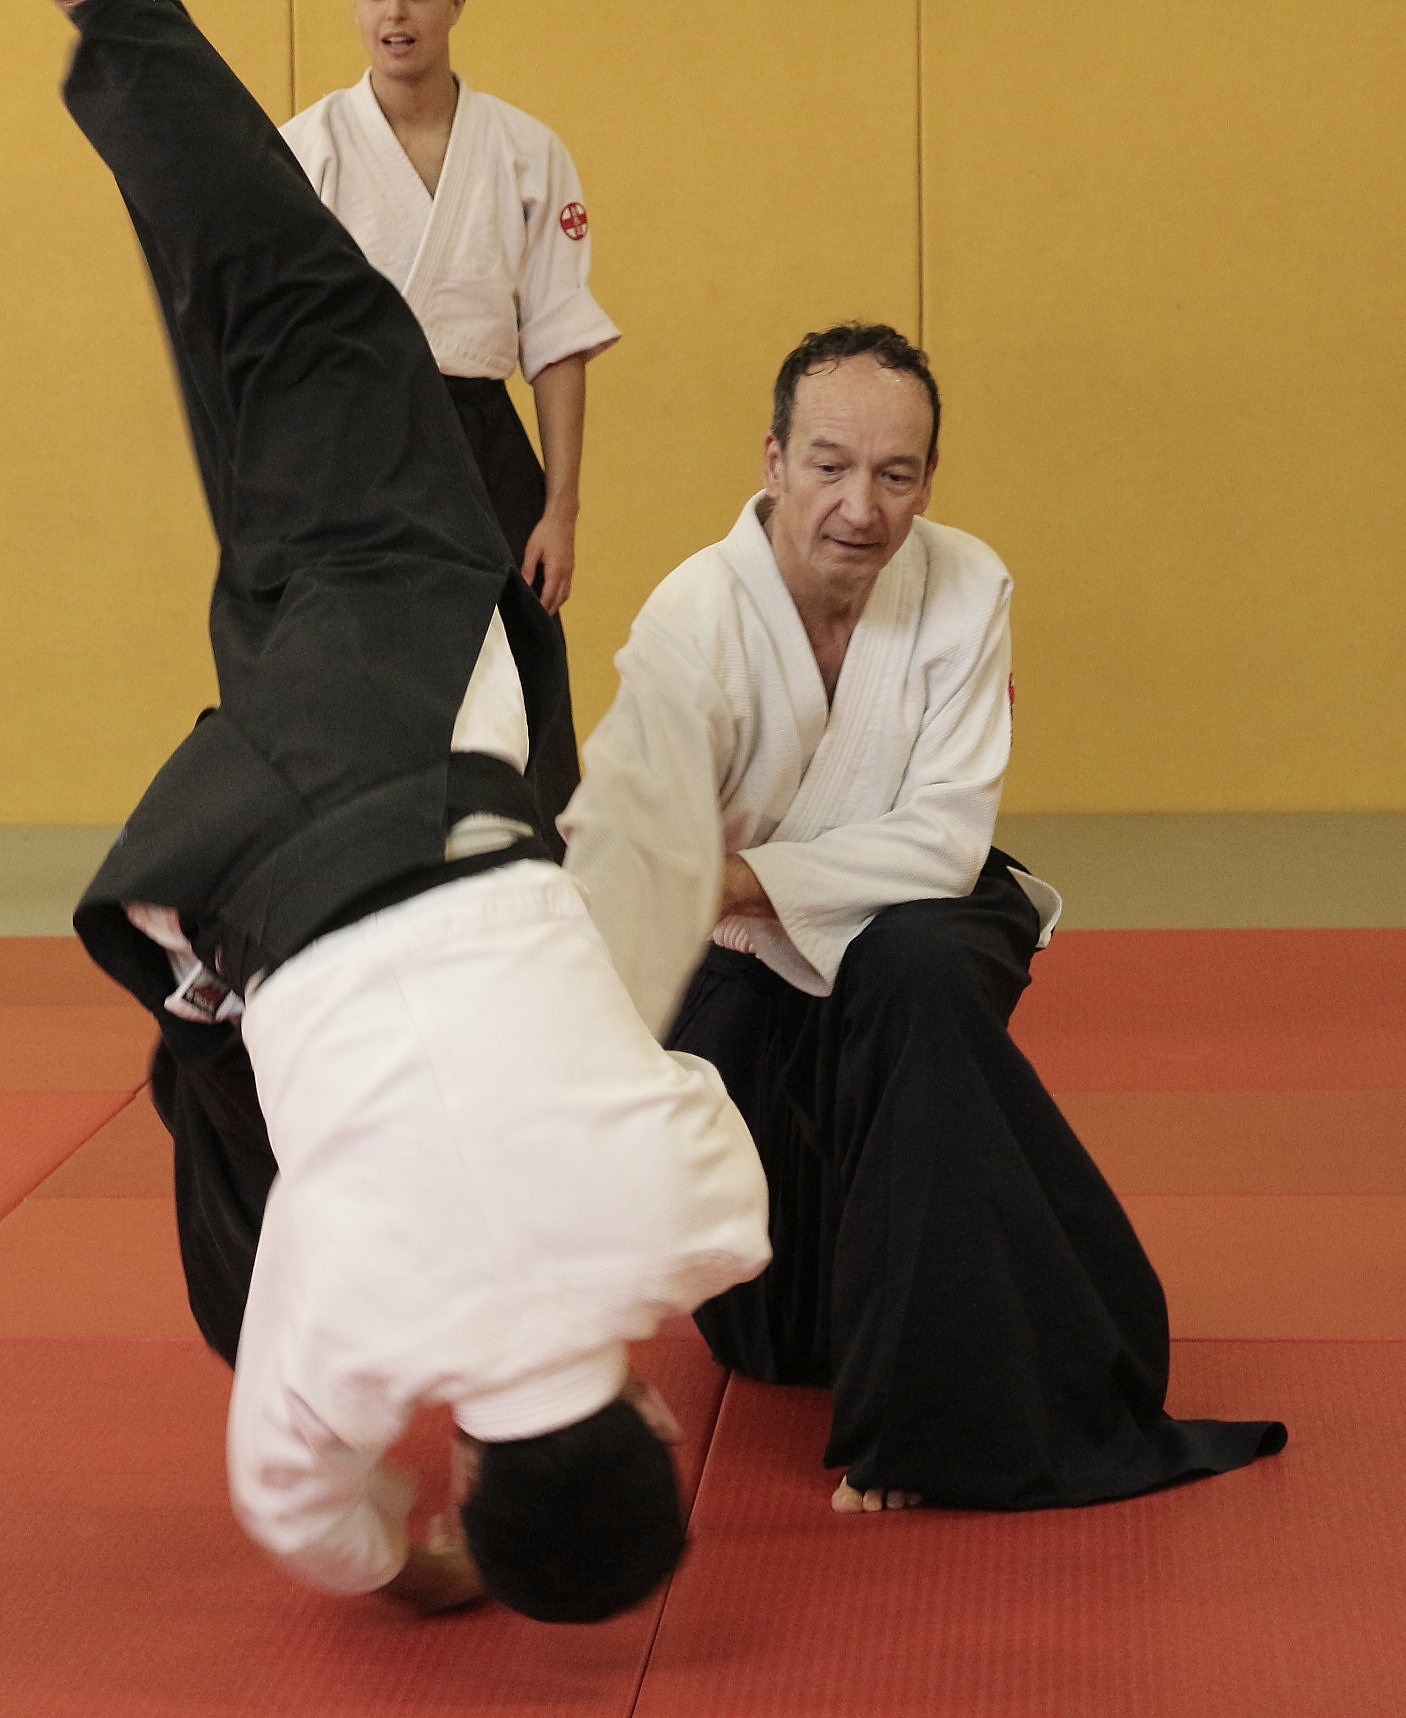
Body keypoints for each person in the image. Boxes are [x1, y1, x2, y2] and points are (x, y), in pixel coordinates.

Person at [52, 0, 769, 1619]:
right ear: (468, 1484)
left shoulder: (696, 1217)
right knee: (244, 1225)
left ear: (650, 1428)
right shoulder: (359, 1337)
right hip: (233, 865)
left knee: (310, 321)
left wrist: (604, 1340)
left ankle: (125, 20)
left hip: (413, 717)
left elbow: (699, 1137)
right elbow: (291, 1500)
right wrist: (407, 1563)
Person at [562, 322, 1287, 1514]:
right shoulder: (691, 622)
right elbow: (626, 853)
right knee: (776, 1335)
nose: (859, 506)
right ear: (772, 460)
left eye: (894, 474)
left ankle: (931, 1418)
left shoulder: (965, 583)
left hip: (920, 916)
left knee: (913, 969)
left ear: (927, 480)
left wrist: (738, 877)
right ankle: (892, 1320)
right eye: (828, 465)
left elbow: (943, 838)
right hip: (742, 958)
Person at [280, 0, 620, 852]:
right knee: (356, 681)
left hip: (484, 444)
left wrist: (561, 509)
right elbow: (274, 344)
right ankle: (358, 882)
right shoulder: (307, 148)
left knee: (521, 668)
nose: (396, 12)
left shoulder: (526, 151)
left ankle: (534, 881)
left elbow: (557, 340)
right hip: (353, 451)